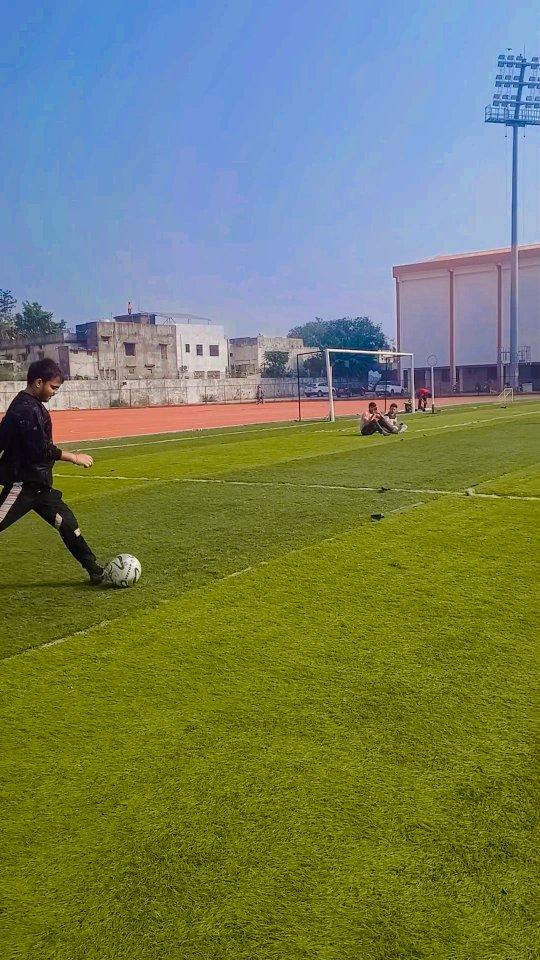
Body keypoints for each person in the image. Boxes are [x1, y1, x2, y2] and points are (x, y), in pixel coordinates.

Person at [0, 359, 107, 583]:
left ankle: (95, 571)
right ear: (39, 382)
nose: (54, 393)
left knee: (69, 525)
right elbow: (42, 449)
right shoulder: (25, 409)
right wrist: (74, 457)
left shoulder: (30, 406)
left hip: (40, 488)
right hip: (23, 487)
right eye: (53, 387)